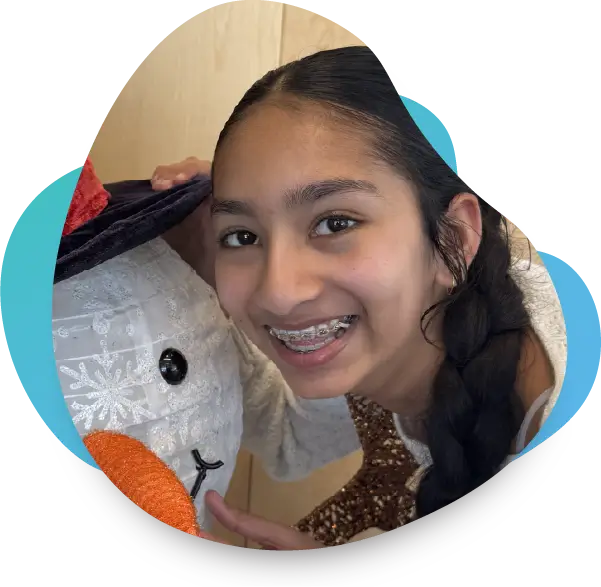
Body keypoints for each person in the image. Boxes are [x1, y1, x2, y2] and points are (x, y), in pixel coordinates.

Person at [150, 46, 566, 549]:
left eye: (335, 223)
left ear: (454, 238)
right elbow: (291, 437)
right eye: (242, 235)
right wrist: (195, 276)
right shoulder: (391, 336)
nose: (280, 293)